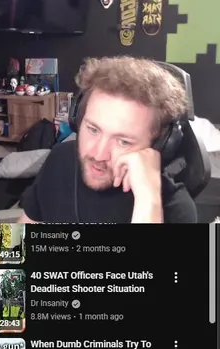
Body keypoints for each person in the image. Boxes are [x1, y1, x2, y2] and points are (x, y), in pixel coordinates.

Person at [19, 56, 196, 224]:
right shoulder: (60, 158)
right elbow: (20, 234)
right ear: (77, 119)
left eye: (123, 142)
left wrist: (148, 202)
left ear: (160, 145)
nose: (98, 155)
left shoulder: (176, 209)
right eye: (93, 130)